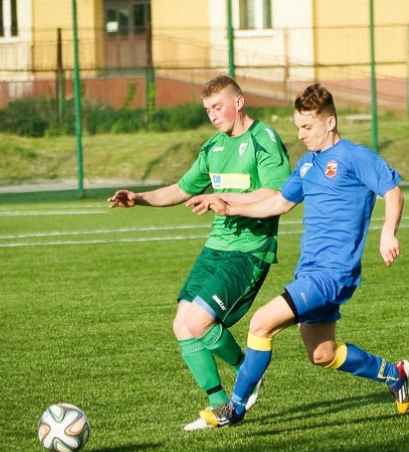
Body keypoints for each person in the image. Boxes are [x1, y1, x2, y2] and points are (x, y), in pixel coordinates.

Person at [186, 83, 409, 427]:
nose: (301, 134)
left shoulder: (355, 157)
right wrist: (230, 207)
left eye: (307, 127)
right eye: (298, 127)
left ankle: (235, 407)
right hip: (310, 271)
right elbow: (279, 202)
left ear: (330, 122)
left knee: (261, 323)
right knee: (323, 354)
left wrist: (387, 232)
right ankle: (394, 374)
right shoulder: (307, 165)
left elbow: (393, 192)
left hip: (333, 273)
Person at [107, 75, 291, 430]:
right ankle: (219, 405)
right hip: (215, 248)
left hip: (249, 251)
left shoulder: (263, 139)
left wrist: (225, 201)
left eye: (217, 107)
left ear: (238, 102)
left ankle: (246, 374)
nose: (213, 115)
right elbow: (180, 188)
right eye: (207, 109)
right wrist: (139, 199)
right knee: (181, 325)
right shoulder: (214, 148)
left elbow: (277, 194)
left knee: (198, 322)